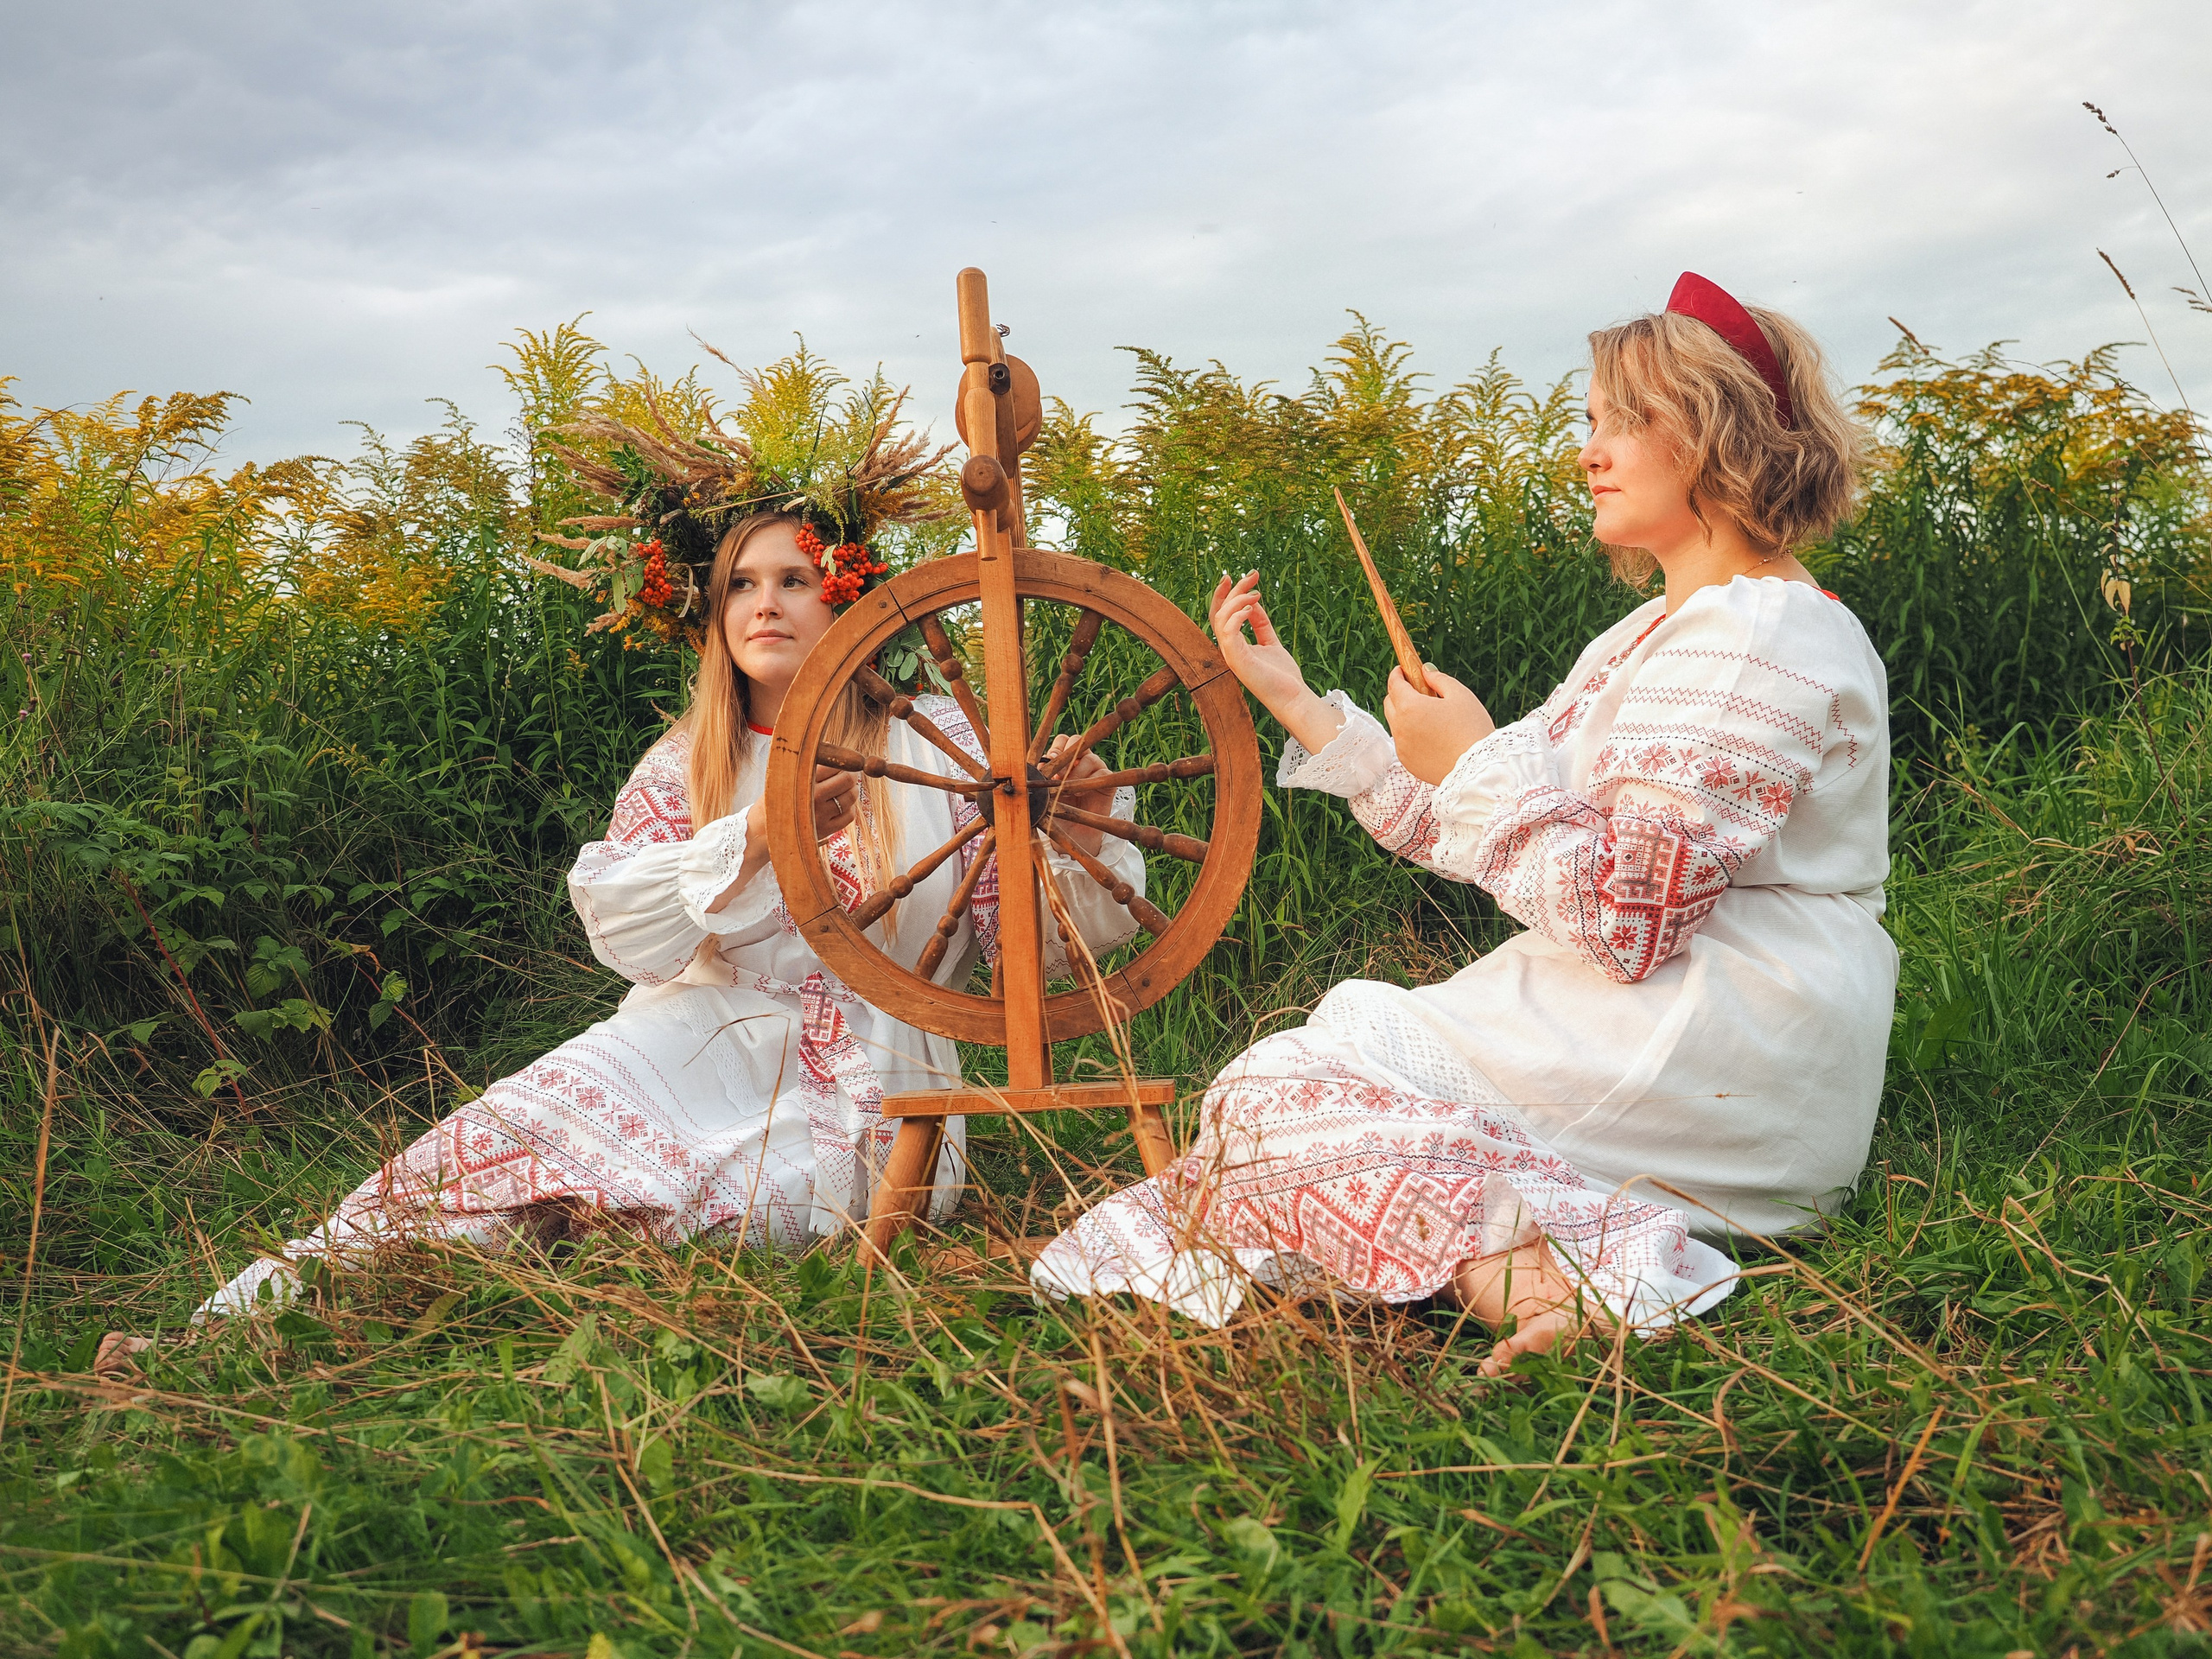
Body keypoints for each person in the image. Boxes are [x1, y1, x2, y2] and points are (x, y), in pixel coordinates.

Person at [101, 385, 1144, 1371]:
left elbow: (1042, 952)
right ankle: (230, 1332)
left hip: (885, 1076)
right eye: (740, 583)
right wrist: (759, 837)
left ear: (850, 596)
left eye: (793, 579)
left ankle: (532, 1297)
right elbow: (623, 929)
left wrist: (1074, 820)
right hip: (694, 1035)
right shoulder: (685, 763)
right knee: (487, 1153)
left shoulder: (950, 747)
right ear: (709, 609)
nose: (764, 605)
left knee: (727, 1216)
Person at [1032, 273, 1893, 1374]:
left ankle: (1553, 1273)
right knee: (1269, 1098)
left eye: (1627, 420)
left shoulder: (1759, 634)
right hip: (1642, 1007)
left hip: (1716, 1029)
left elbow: (1630, 916)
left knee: (1269, 1103)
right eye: (1591, 421)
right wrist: (1300, 702)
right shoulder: (1657, 631)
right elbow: (1484, 832)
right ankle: (1525, 1277)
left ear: (1719, 431)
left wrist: (1484, 756)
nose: (1591, 449)